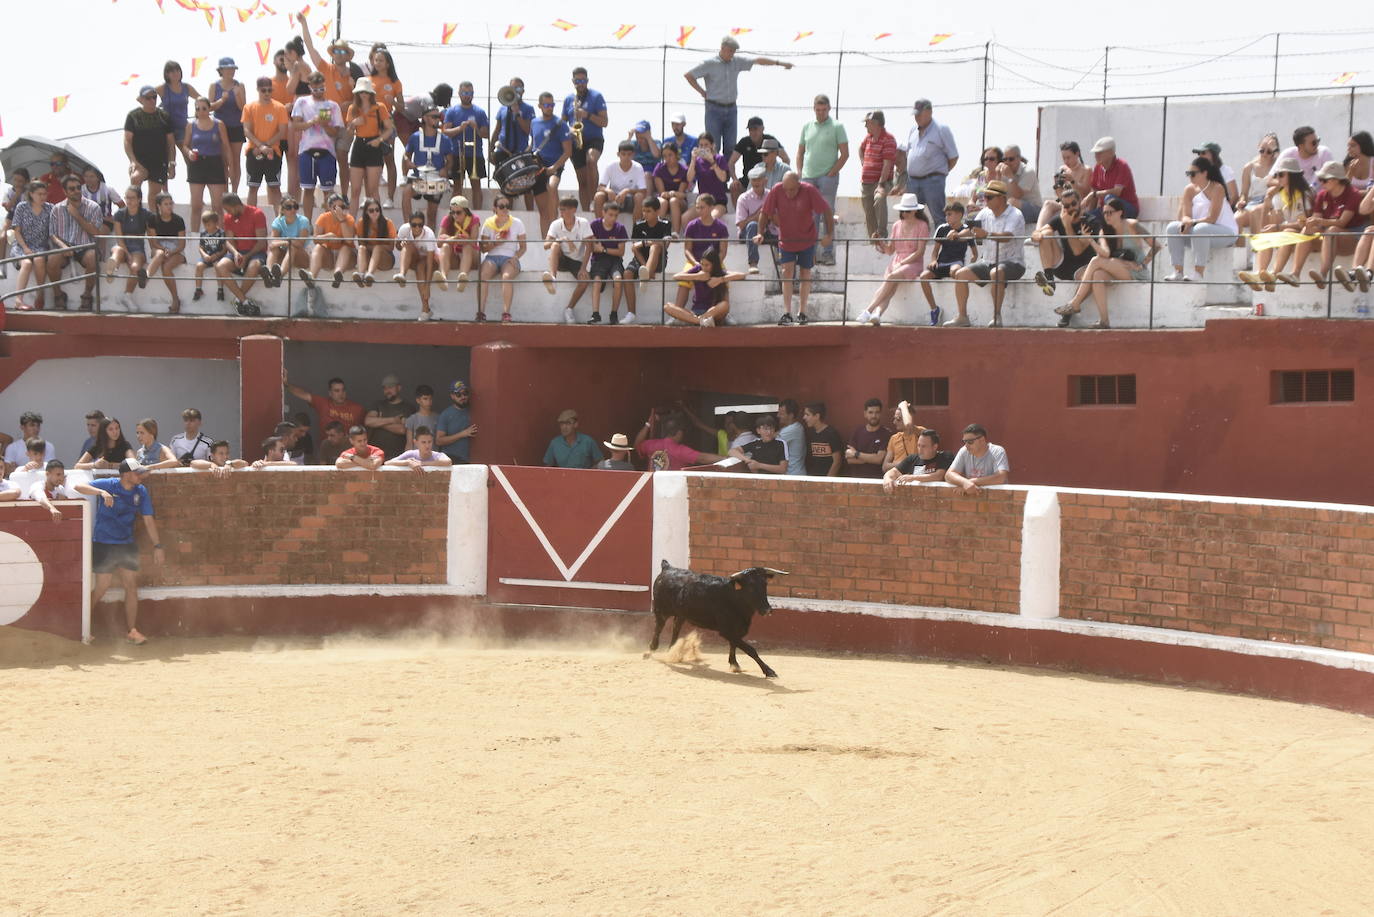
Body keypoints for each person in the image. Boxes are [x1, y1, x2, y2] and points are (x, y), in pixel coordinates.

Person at [89, 458, 165, 646]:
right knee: (102, 586)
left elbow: (148, 520)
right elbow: (78, 486)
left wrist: (157, 546)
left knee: (131, 585)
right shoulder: (109, 484)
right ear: (125, 474)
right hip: (104, 542)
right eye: (136, 472)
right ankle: (81, 626)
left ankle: (132, 631)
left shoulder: (141, 491)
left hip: (126, 543)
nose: (140, 475)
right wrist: (101, 492)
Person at [1054, 197, 1157, 329]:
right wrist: (1090, 240)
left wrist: (1143, 263)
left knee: (1095, 261)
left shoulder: (1132, 225)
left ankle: (1075, 302)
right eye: (1104, 213)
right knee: (1097, 275)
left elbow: (1156, 246)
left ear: (1120, 212)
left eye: (1110, 212)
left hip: (1137, 271)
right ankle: (1104, 321)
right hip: (1120, 268)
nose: (1107, 216)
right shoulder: (1104, 231)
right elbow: (1105, 254)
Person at [684, 35, 793, 154]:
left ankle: (726, 172)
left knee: (731, 147)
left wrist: (780, 63)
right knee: (713, 145)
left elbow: (757, 61)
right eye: (730, 51)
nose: (732, 54)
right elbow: (689, 75)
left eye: (734, 51)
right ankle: (712, 172)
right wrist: (702, 92)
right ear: (722, 48)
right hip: (713, 109)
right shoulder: (709, 63)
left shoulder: (736, 61)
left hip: (731, 109)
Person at [756, 171, 833, 325]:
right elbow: (765, 212)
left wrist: (829, 234)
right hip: (786, 240)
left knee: (805, 272)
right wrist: (759, 233)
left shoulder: (809, 190)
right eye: (786, 189)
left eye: (792, 189)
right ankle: (787, 313)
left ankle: (802, 312)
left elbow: (826, 210)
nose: (789, 193)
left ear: (799, 185)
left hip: (807, 239)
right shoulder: (777, 190)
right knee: (787, 272)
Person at [947, 181, 1026, 328]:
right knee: (960, 274)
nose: (985, 200)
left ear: (1002, 198)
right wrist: (957, 234)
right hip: (988, 262)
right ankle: (962, 317)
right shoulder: (984, 213)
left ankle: (996, 317)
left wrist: (987, 234)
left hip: (1014, 263)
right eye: (984, 196)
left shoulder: (1015, 214)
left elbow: (1007, 236)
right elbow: (970, 231)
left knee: (996, 272)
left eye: (989, 197)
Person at [1290, 161, 1366, 289]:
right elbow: (1317, 220)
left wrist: (1318, 221)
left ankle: (1323, 274)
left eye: (1324, 180)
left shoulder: (1353, 194)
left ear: (1336, 180)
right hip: (1330, 237)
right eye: (1320, 179)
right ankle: (1295, 274)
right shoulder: (1322, 195)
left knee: (1332, 229)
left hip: (1352, 239)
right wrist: (1309, 223)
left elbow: (1342, 222)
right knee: (1307, 230)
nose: (1321, 182)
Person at [857, 194, 930, 326]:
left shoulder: (922, 225)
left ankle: (868, 310)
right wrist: (879, 242)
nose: (904, 213)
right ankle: (877, 315)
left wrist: (902, 263)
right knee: (888, 290)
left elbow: (920, 252)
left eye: (907, 211)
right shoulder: (897, 225)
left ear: (915, 211)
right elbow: (890, 250)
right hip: (896, 262)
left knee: (890, 279)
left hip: (913, 263)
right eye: (902, 210)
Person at [1163, 156, 1239, 282]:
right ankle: (1178, 272)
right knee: (1172, 227)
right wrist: (1186, 221)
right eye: (1188, 174)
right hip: (1201, 232)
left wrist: (1191, 222)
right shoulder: (1189, 190)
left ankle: (1198, 274)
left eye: (1192, 174)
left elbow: (1212, 218)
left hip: (1225, 233)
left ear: (1205, 173)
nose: (1190, 177)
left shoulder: (1217, 188)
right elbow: (1186, 214)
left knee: (1200, 229)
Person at [1240, 157, 1310, 291]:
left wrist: (1278, 227)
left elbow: (1303, 223)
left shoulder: (1304, 195)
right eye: (1277, 175)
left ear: (1292, 175)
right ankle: (1260, 273)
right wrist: (1267, 203)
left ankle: (1274, 274)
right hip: (1287, 230)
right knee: (1267, 234)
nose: (1278, 178)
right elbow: (1267, 225)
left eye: (1281, 175)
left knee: (1286, 233)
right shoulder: (1279, 195)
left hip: (1300, 233)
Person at [795, 95, 848, 265]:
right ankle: (810, 253)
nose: (820, 113)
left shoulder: (837, 126)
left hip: (827, 177)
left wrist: (832, 172)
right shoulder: (806, 126)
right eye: (818, 110)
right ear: (813, 109)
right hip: (808, 177)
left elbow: (845, 154)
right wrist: (800, 172)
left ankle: (827, 252)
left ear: (829, 109)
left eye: (823, 110)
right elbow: (800, 151)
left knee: (827, 214)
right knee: (810, 216)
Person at [290, 71, 345, 222]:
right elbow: (295, 125)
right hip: (307, 151)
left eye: (321, 89)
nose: (319, 92)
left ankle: (329, 222)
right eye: (315, 89)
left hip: (327, 151)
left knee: (328, 191)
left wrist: (325, 124)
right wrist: (312, 122)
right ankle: (307, 224)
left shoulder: (332, 106)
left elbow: (336, 132)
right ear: (310, 87)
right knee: (308, 189)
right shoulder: (302, 102)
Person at [46, 175, 104, 312]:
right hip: (64, 245)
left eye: (78, 187)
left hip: (85, 246)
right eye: (72, 189)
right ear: (65, 191)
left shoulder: (93, 207)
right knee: (52, 260)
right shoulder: (57, 209)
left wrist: (76, 215)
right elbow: (52, 234)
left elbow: (96, 233)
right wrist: (63, 246)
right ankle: (58, 295)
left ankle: (87, 296)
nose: (76, 191)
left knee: (92, 258)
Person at [896, 99, 958, 215]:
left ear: (929, 112)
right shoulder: (913, 130)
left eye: (919, 114)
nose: (917, 117)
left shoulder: (941, 129)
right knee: (912, 217)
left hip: (933, 181)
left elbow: (953, 157)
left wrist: (940, 172)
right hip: (913, 182)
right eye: (916, 114)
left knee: (938, 216)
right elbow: (909, 154)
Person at [919, 201, 975, 327]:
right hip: (941, 263)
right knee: (923, 276)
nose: (946, 217)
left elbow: (973, 247)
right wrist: (933, 260)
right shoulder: (942, 228)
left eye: (949, 214)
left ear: (959, 215)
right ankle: (934, 309)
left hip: (956, 262)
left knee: (956, 271)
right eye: (946, 215)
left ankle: (961, 312)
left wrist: (974, 258)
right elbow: (935, 251)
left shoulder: (966, 229)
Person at [180, 96, 231, 237]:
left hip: (214, 163)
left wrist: (230, 167)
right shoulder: (191, 126)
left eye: (204, 108)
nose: (201, 111)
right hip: (197, 165)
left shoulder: (218, 124)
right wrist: (189, 153)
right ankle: (195, 236)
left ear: (209, 109)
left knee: (217, 206)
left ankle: (220, 236)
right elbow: (185, 145)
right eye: (198, 109)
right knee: (196, 205)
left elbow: (226, 146)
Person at [1030, 188, 1093, 298]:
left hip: (1082, 268)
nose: (1071, 208)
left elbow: (1077, 251)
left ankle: (1070, 309)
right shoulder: (1060, 219)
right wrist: (1037, 235)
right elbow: (1037, 234)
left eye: (1073, 204)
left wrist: (1067, 225)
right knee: (1046, 233)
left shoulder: (1090, 221)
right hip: (1062, 266)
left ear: (1080, 202)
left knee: (1092, 278)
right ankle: (1049, 278)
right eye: (1067, 206)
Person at [562, 67, 610, 210]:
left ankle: (595, 198)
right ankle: (586, 211)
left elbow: (605, 122)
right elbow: (562, 123)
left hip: (594, 139)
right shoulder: (569, 99)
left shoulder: (596, 96)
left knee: (591, 160)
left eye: (583, 80)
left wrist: (587, 115)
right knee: (582, 181)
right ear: (573, 81)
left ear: (587, 81)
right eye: (577, 81)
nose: (580, 83)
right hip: (576, 141)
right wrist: (570, 130)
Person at [529, 92, 574, 236]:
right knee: (543, 210)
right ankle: (545, 242)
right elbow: (532, 145)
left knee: (552, 186)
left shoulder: (560, 124)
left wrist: (554, 167)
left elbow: (568, 151)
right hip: (538, 167)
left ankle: (556, 229)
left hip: (555, 165)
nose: (550, 108)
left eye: (552, 105)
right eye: (547, 105)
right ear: (540, 106)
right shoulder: (534, 122)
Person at [346, 77, 394, 213]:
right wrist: (353, 124)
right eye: (361, 91)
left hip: (374, 145)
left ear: (371, 93)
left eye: (366, 92)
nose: (364, 94)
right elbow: (349, 133)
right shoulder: (352, 109)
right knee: (355, 190)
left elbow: (389, 129)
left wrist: (378, 140)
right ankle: (352, 224)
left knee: (373, 189)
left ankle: (377, 224)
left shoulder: (380, 107)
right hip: (358, 145)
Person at [2, 181, 52, 311]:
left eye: (44, 194)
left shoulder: (50, 208)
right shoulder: (21, 207)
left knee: (39, 259)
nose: (42, 196)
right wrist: (25, 248)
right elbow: (16, 231)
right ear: (31, 194)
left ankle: (40, 294)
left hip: (41, 246)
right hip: (21, 245)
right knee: (27, 263)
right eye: (39, 194)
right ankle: (18, 301)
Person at [243, 76, 290, 213]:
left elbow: (282, 131)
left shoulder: (279, 107)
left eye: (270, 90)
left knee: (275, 187)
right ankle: (251, 218)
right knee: (253, 187)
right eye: (264, 90)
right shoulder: (249, 107)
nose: (267, 93)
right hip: (254, 151)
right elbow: (246, 129)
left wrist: (266, 146)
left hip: (273, 151)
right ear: (258, 90)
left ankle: (280, 220)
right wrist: (260, 146)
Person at [215, 193, 267, 316]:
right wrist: (235, 253)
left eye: (228, 209)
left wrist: (247, 256)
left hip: (256, 253)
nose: (228, 213)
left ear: (236, 205)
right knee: (220, 266)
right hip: (238, 253)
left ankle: (238, 300)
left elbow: (261, 242)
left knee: (254, 265)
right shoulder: (228, 217)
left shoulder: (257, 214)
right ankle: (243, 301)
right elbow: (229, 240)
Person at [404, 104, 455, 228]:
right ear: (425, 118)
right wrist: (408, 162)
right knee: (406, 193)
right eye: (434, 117)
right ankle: (408, 227)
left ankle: (429, 241)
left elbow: (450, 160)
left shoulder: (444, 139)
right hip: (419, 176)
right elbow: (406, 155)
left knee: (431, 214)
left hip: (436, 178)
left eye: (439, 117)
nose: (438, 119)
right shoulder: (415, 137)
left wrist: (446, 169)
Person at [478, 196, 527, 323]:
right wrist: (495, 243)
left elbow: (523, 247)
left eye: (507, 206)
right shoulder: (488, 223)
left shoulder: (517, 222)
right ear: (495, 208)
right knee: (483, 275)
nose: (505, 209)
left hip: (510, 258)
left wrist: (515, 257)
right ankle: (481, 312)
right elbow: (483, 248)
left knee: (506, 277)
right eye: (501, 206)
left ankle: (506, 313)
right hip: (492, 257)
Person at [543, 196, 593, 319]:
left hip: (577, 261)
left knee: (585, 281)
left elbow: (589, 247)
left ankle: (569, 308)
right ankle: (553, 278)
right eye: (560, 209)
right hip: (562, 259)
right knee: (555, 245)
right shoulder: (556, 224)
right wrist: (562, 240)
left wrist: (583, 268)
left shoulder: (583, 223)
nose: (561, 213)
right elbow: (546, 245)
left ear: (573, 210)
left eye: (564, 209)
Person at [366, 47, 405, 206]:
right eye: (376, 60)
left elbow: (402, 107)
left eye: (381, 60)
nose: (378, 63)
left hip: (387, 122)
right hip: (370, 123)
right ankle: (369, 197)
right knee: (369, 161)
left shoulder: (395, 82)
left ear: (388, 63)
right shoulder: (368, 80)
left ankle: (390, 198)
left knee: (389, 158)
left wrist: (393, 101)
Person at [490, 76, 536, 211]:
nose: (516, 91)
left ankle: (530, 212)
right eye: (513, 88)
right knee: (507, 185)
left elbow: (528, 130)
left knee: (527, 185)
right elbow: (497, 129)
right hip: (503, 151)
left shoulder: (528, 108)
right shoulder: (502, 109)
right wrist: (491, 148)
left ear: (523, 91)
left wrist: (517, 114)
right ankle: (507, 213)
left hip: (521, 152)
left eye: (519, 88)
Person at [441, 82, 489, 209]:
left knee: (476, 185)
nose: (467, 96)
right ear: (459, 94)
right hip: (457, 153)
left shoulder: (480, 112)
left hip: (475, 154)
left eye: (470, 93)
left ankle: (477, 212)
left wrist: (476, 128)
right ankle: (455, 212)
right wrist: (459, 129)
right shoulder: (452, 111)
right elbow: (445, 131)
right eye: (464, 93)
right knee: (457, 186)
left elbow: (486, 134)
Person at [124, 85, 177, 199]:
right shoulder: (133, 116)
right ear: (141, 99)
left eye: (154, 97)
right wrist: (133, 161)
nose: (152, 100)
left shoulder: (164, 116)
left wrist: (172, 163)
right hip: (140, 161)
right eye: (148, 98)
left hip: (159, 161)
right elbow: (127, 141)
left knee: (154, 196)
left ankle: (153, 216)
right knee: (135, 180)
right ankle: (134, 213)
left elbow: (171, 143)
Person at [663, 249, 740, 328]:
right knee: (667, 307)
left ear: (714, 265)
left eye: (707, 265)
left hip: (714, 312)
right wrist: (697, 276)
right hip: (696, 312)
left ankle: (700, 320)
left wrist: (720, 279)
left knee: (725, 305)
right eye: (702, 264)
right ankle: (701, 321)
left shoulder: (719, 272)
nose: (704, 267)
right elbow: (676, 276)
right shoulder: (698, 269)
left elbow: (741, 275)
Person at [103, 186, 151, 311]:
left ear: (139, 199)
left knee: (135, 267)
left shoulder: (146, 215)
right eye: (127, 198)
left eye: (132, 198)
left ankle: (127, 295)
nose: (129, 201)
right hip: (122, 244)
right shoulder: (119, 214)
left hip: (137, 246)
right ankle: (112, 267)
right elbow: (119, 238)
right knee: (117, 251)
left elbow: (151, 235)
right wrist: (127, 254)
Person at [586, 200, 630, 324]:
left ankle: (614, 314)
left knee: (618, 279)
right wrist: (604, 249)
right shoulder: (594, 225)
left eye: (615, 215)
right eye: (610, 214)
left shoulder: (620, 228)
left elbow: (621, 252)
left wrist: (604, 249)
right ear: (603, 213)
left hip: (615, 261)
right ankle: (595, 314)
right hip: (598, 260)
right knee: (597, 280)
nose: (613, 218)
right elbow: (593, 247)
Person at [207, 57, 247, 192]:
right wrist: (221, 100)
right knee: (223, 159)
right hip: (219, 127)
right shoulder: (214, 86)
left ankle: (234, 192)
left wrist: (237, 96)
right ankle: (224, 192)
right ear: (221, 70)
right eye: (228, 68)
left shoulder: (239, 85)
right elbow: (209, 107)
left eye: (233, 68)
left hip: (236, 126)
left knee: (235, 160)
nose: (231, 71)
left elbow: (244, 108)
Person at [858, 111, 899, 243]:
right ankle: (873, 240)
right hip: (866, 183)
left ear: (876, 124)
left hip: (881, 182)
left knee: (879, 198)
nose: (865, 126)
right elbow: (860, 149)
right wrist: (864, 164)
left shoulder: (888, 139)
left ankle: (882, 234)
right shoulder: (868, 138)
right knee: (869, 213)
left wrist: (881, 184)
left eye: (867, 123)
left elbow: (887, 164)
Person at [394, 211, 443, 320]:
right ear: (409, 224)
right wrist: (401, 243)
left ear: (424, 224)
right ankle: (402, 274)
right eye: (414, 225)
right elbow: (397, 246)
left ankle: (425, 309)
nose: (417, 228)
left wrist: (427, 286)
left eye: (420, 225)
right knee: (407, 245)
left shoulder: (429, 234)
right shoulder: (404, 229)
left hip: (431, 260)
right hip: (414, 258)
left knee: (421, 266)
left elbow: (430, 262)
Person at [284, 371, 366, 436]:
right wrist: (286, 384)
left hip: (349, 452)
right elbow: (304, 395)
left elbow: (366, 429)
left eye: (343, 390)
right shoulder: (323, 403)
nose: (341, 394)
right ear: (330, 393)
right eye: (337, 391)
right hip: (327, 450)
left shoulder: (357, 409)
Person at [729, 117, 790, 201]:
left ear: (762, 129)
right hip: (749, 179)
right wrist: (735, 179)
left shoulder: (770, 141)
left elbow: (786, 158)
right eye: (750, 130)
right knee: (734, 187)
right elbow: (731, 162)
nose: (753, 132)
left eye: (755, 129)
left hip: (768, 179)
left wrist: (780, 173)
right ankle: (740, 213)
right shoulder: (744, 142)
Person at [633, 414, 723, 471]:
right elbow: (703, 458)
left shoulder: (650, 445)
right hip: (672, 491)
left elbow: (637, 444)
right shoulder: (679, 450)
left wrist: (648, 424)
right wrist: (729, 458)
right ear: (679, 433)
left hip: (651, 488)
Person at [25, 460, 107, 521]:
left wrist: (101, 492)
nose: (61, 478)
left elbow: (77, 488)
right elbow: (41, 497)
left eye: (62, 475)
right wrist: (52, 508)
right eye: (58, 475)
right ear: (47, 474)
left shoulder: (60, 489)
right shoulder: (37, 485)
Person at [945, 424, 1010, 495]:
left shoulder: (997, 451)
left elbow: (1000, 478)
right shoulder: (964, 451)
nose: (966, 445)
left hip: (998, 498)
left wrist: (970, 483)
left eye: (970, 442)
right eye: (964, 441)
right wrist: (964, 483)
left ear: (982, 440)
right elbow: (948, 475)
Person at [362, 373, 416, 459]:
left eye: (390, 387)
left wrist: (379, 422)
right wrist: (394, 420)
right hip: (375, 454)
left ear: (399, 388)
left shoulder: (408, 408)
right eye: (385, 388)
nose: (387, 391)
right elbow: (368, 421)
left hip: (398, 455)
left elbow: (402, 429)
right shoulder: (378, 404)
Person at [156, 61, 200, 166]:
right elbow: (143, 98)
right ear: (166, 74)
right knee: (167, 160)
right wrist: (156, 111)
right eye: (171, 71)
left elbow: (201, 99)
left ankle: (194, 180)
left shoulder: (186, 87)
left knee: (190, 157)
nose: (175, 73)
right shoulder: (162, 88)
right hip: (166, 128)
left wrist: (198, 109)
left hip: (182, 127)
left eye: (177, 70)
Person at [1083, 137, 1140, 219]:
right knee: (1086, 218)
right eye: (1096, 153)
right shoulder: (1098, 168)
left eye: (1100, 152)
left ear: (1111, 153)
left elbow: (1116, 192)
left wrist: (1093, 194)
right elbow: (1094, 191)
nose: (1096, 155)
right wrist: (1089, 214)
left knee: (1109, 198)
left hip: (1127, 209)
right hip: (1106, 210)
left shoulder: (1122, 166)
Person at [881, 429, 954, 492]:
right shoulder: (912, 458)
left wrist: (912, 478)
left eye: (924, 446)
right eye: (919, 445)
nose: (920, 449)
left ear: (935, 447)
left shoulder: (945, 456)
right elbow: (893, 472)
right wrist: (887, 478)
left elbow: (939, 476)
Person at [1237, 133, 1280, 236]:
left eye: (1269, 151)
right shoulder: (1249, 167)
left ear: (1274, 151)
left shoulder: (1278, 165)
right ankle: (1240, 250)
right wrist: (1242, 200)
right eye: (1262, 150)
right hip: (1253, 201)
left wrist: (1277, 153)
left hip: (1271, 201)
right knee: (1237, 219)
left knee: (1256, 213)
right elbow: (1244, 192)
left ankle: (1258, 250)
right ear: (1258, 148)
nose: (1265, 154)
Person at [594, 141, 648, 222]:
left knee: (639, 197)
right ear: (618, 154)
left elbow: (643, 191)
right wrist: (608, 191)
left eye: (629, 154)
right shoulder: (610, 166)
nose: (626, 157)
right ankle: (599, 228)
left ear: (633, 155)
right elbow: (600, 187)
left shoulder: (638, 167)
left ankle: (636, 231)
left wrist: (627, 191)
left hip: (630, 200)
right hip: (613, 199)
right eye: (623, 154)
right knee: (599, 196)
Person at [267, 196, 313, 290]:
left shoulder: (303, 221)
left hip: (302, 257)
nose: (293, 209)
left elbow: (300, 244)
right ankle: (269, 274)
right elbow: (272, 244)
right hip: (286, 256)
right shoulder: (278, 221)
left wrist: (285, 242)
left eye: (295, 206)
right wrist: (288, 241)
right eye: (289, 207)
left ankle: (280, 276)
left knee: (293, 247)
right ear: (282, 210)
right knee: (274, 249)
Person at [628, 196, 672, 292]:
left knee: (655, 247)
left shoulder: (666, 224)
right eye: (643, 211)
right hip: (640, 259)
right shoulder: (638, 225)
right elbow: (634, 248)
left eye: (648, 211)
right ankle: (631, 307)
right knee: (627, 274)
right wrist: (645, 266)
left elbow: (665, 244)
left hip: (659, 260)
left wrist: (645, 242)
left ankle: (644, 278)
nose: (645, 214)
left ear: (657, 212)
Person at [438, 195, 480, 290]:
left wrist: (463, 240)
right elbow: (438, 243)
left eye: (458, 212)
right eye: (452, 212)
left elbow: (473, 241)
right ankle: (443, 278)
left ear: (466, 211)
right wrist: (453, 239)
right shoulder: (447, 219)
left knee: (467, 247)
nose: (455, 215)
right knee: (445, 246)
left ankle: (462, 278)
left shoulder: (474, 219)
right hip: (455, 257)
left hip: (471, 257)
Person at [844, 398, 892, 478]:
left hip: (876, 480)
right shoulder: (857, 432)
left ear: (880, 414)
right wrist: (871, 458)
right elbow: (849, 459)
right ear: (865, 414)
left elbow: (878, 459)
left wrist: (856, 454)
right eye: (870, 412)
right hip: (857, 480)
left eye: (877, 412)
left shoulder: (886, 434)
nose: (874, 416)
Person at [735, 166, 769, 274]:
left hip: (767, 231)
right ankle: (753, 263)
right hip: (748, 233)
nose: (755, 182)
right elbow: (741, 225)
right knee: (753, 225)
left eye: (758, 179)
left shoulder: (771, 195)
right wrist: (759, 215)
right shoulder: (743, 198)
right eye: (753, 179)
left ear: (765, 180)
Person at [686, 133, 731, 215]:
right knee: (685, 218)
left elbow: (723, 178)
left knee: (712, 217)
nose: (703, 148)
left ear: (712, 145)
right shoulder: (697, 161)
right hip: (702, 202)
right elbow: (689, 178)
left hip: (718, 202)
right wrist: (693, 160)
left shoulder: (719, 159)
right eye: (701, 145)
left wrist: (712, 162)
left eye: (706, 145)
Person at [997, 146, 1042, 226]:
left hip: (1035, 210)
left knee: (1012, 202)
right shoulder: (1004, 172)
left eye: (1011, 159)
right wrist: (998, 176)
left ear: (1019, 159)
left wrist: (1010, 177)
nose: (1007, 162)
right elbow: (997, 194)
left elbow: (1017, 195)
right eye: (1004, 159)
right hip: (1013, 207)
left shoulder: (1028, 171)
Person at [652, 142, 692, 233]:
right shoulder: (659, 168)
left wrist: (673, 193)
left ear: (676, 155)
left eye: (670, 155)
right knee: (662, 202)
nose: (667, 159)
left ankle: (675, 233)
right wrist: (667, 194)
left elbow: (682, 194)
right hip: (664, 199)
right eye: (665, 156)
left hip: (679, 202)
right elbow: (661, 192)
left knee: (673, 201)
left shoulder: (684, 170)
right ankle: (655, 232)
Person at [435, 380, 476, 464]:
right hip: (451, 459)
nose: (463, 397)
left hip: (471, 460)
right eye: (458, 394)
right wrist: (462, 434)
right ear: (452, 396)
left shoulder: (474, 411)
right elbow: (439, 440)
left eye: (465, 393)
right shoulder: (446, 414)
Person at [880, 400, 926, 473]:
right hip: (896, 476)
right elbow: (885, 467)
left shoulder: (920, 433)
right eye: (894, 418)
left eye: (898, 419)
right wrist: (905, 463)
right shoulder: (894, 438)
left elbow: (908, 425)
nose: (894, 422)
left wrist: (903, 405)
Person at [801, 402, 844, 477]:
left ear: (817, 416)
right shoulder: (810, 433)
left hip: (827, 480)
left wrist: (827, 481)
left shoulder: (831, 433)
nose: (804, 417)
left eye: (807, 415)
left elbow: (837, 461)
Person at [1192, 141, 1239, 209]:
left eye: (1203, 153)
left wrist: (1223, 211)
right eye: (1199, 153)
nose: (1200, 156)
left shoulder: (1226, 170)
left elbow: (1234, 196)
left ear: (1214, 154)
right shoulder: (1198, 173)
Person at [385, 426, 453, 471]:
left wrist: (422, 463)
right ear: (415, 442)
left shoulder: (437, 455)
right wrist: (408, 462)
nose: (427, 445)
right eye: (423, 442)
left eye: (429, 442)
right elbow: (387, 463)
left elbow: (448, 462)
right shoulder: (410, 454)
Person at [403, 384, 440, 450]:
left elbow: (439, 440)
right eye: (425, 399)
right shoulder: (412, 420)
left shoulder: (438, 418)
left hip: (433, 457)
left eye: (430, 399)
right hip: (417, 458)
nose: (428, 402)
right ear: (418, 400)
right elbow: (409, 443)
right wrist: (408, 458)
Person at [776, 399, 807, 477]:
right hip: (794, 473)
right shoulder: (792, 427)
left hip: (793, 475)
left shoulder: (793, 429)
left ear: (791, 415)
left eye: (781, 413)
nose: (778, 416)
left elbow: (770, 442)